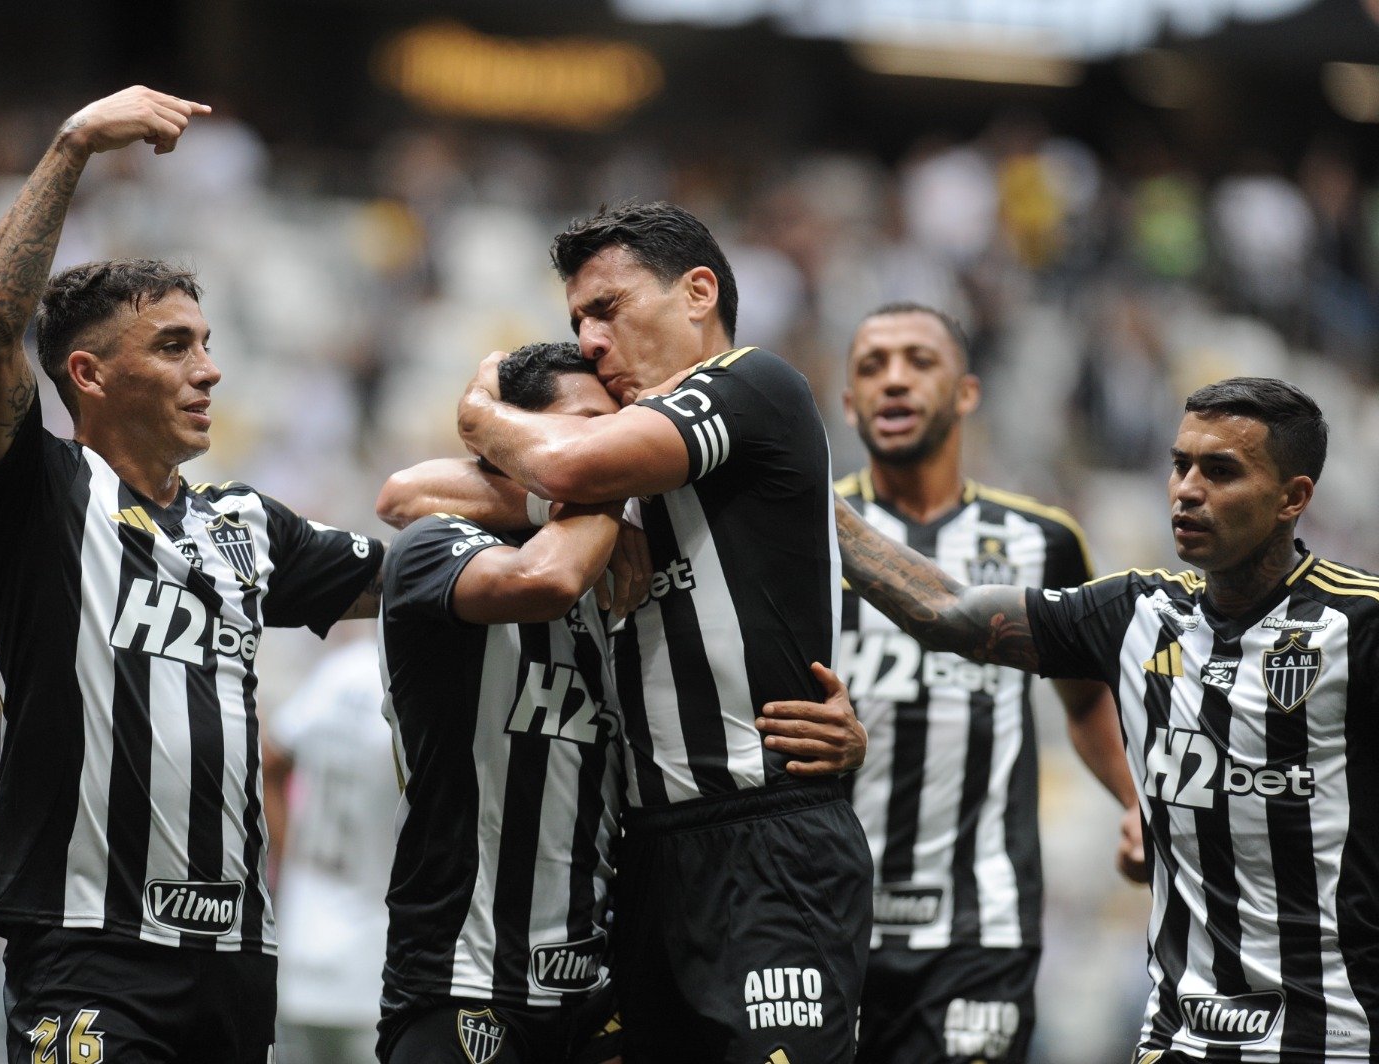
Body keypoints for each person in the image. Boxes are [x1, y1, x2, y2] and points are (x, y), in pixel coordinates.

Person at [0, 86, 383, 1063]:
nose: (209, 370)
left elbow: (422, 581)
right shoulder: (41, 495)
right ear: (89, 376)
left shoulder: (244, 525)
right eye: (174, 345)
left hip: (237, 963)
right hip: (93, 951)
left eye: (208, 343)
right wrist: (71, 147)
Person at [832, 376, 1376, 1062]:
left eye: (1221, 471)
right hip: (1178, 1037)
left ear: (1293, 498)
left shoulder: (1359, 625)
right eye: (1180, 465)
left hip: (1338, 1040)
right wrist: (799, 485)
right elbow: (948, 613)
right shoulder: (1139, 614)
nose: (1187, 488)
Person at [446, 202, 872, 1063]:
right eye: (576, 321)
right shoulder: (626, 473)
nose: (591, 339)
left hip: (768, 837)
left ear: (698, 292)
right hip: (647, 855)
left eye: (607, 308)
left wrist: (479, 411)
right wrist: (602, 506)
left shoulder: (754, 384)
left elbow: (558, 463)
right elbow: (407, 494)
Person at [834, 302, 1140, 1064]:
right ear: (848, 403)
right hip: (825, 912)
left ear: (967, 392)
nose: (894, 381)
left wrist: (1138, 804)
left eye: (919, 360)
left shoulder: (1045, 540)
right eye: (873, 367)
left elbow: (1086, 698)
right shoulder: (802, 533)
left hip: (983, 925)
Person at [380, 341, 627, 1064]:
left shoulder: (625, 565)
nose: (610, 444)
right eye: (584, 424)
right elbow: (539, 581)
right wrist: (612, 491)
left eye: (615, 427)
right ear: (516, 438)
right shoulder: (435, 546)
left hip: (601, 986)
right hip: (465, 979)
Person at [262, 627, 392, 1064]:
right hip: (375, 968)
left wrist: (289, 858)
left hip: (300, 949)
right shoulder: (409, 682)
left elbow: (270, 760)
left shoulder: (337, 672)